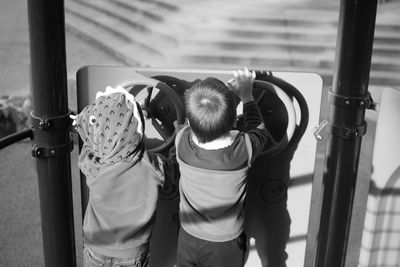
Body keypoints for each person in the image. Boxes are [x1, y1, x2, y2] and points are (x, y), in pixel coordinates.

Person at [73, 85, 179, 267]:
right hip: (132, 254)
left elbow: (90, 140)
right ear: (138, 130)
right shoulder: (151, 165)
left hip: (96, 249)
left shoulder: (94, 164)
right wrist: (178, 136)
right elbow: (175, 170)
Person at [175, 68, 270, 267]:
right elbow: (259, 128)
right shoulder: (244, 149)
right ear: (235, 121)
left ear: (190, 124)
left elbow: (184, 127)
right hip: (225, 243)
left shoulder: (181, 141)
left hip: (188, 235)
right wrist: (247, 96)